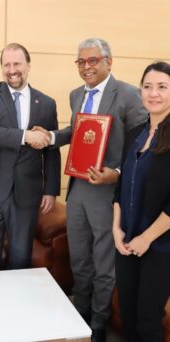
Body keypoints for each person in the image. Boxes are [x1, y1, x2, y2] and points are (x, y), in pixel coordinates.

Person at [34, 38, 148, 342]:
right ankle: (80, 312)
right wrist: (51, 136)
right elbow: (78, 131)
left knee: (103, 260)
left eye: (93, 61)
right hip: (78, 188)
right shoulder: (76, 95)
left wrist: (118, 174)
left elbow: (142, 144)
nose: (87, 67)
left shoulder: (129, 95)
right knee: (79, 258)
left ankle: (98, 323)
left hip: (107, 192)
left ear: (108, 62)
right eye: (81, 62)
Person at [0, 42, 61, 272]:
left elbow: (51, 148)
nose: (12, 70)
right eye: (7, 64)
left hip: (27, 193)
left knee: (21, 254)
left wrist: (51, 189)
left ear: (28, 65)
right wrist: (25, 136)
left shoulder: (47, 103)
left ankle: (16, 305)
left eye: (17, 63)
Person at [113, 61, 170, 342]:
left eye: (162, 87)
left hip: (160, 246)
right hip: (127, 244)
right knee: (129, 316)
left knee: (149, 322)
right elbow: (121, 186)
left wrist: (146, 238)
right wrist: (116, 230)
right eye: (147, 86)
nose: (153, 93)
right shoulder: (136, 132)